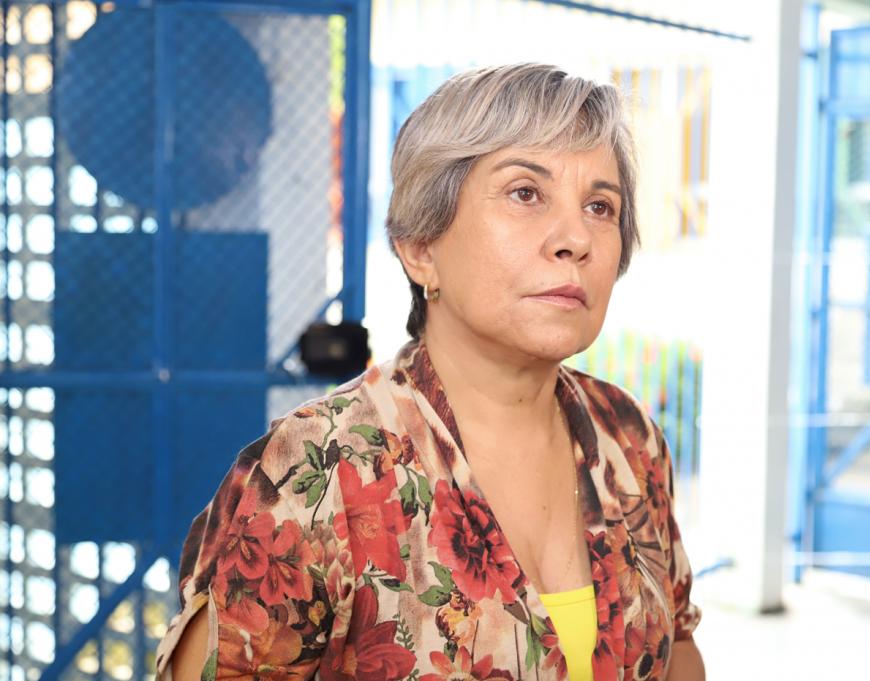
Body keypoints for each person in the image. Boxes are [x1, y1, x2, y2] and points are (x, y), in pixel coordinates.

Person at [156, 63, 703, 681]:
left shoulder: (627, 435)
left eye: (601, 206)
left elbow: (678, 649)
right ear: (421, 248)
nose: (576, 237)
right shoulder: (318, 472)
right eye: (525, 193)